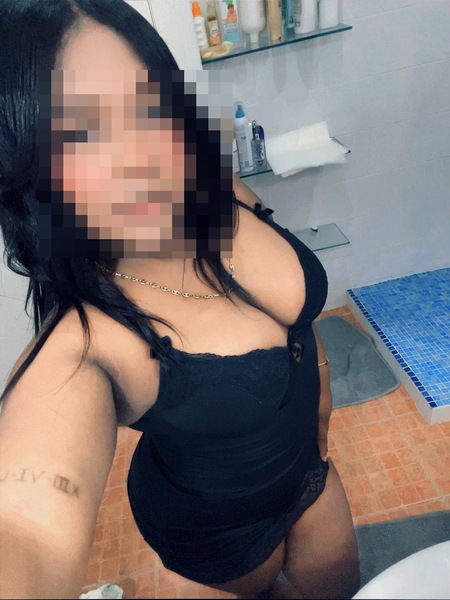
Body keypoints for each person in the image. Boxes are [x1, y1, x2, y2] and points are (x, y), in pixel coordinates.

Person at [0, 1, 360, 598]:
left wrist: (320, 405)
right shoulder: (86, 344)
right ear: (30, 173)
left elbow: (297, 326)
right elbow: (26, 529)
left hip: (312, 479)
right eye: (80, 134)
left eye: (148, 106)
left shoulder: (216, 185)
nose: (141, 157)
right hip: (215, 541)